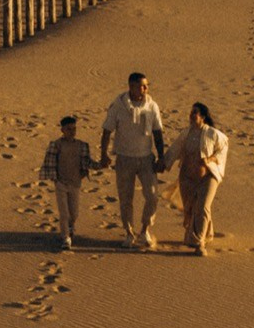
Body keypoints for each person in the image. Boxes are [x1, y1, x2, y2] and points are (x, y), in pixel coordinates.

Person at [99, 71, 168, 248]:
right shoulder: (118, 106)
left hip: (146, 158)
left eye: (146, 85)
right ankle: (129, 232)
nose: (145, 89)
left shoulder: (152, 106)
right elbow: (107, 130)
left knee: (152, 196)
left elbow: (157, 132)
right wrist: (104, 154)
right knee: (125, 198)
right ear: (131, 86)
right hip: (124, 158)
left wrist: (161, 156)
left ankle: (145, 229)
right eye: (141, 86)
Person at [164, 102, 230, 255]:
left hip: (207, 177)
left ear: (203, 116)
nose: (192, 115)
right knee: (191, 207)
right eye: (191, 112)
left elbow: (223, 147)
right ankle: (208, 233)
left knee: (203, 206)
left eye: (195, 112)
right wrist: (164, 163)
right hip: (187, 178)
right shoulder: (186, 133)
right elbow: (175, 149)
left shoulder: (213, 133)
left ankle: (200, 243)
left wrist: (210, 159)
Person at [35, 115, 96, 248]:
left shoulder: (82, 145)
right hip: (61, 183)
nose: (72, 131)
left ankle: (71, 226)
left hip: (75, 184)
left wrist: (100, 165)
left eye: (74, 129)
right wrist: (55, 179)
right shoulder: (56, 145)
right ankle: (65, 238)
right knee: (64, 213)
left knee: (74, 213)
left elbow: (87, 162)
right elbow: (50, 163)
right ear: (62, 130)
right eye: (68, 129)